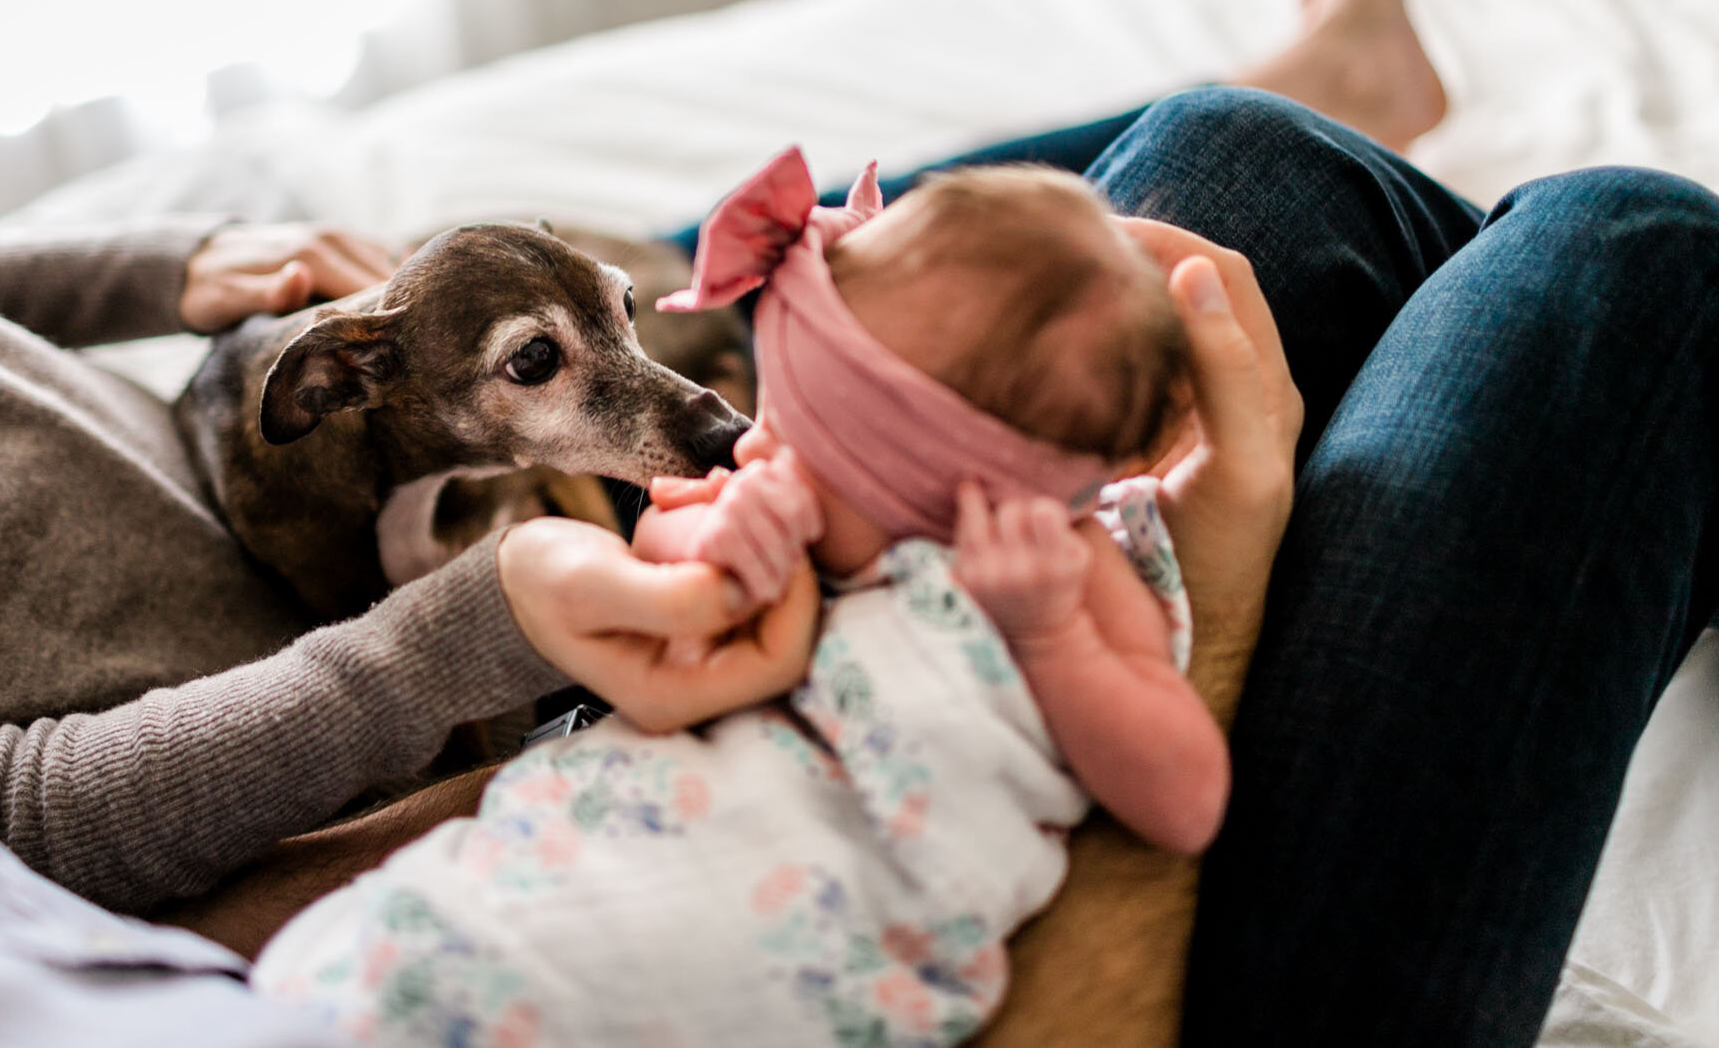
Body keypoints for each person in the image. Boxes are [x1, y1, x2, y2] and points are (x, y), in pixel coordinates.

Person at [0, 0, 1707, 1044]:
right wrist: (1216, 593)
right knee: (1617, 269)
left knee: (1238, 180)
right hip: (711, 847)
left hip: (514, 658)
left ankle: (1336, 114)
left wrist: (159, 263)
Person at [247, 157, 1228, 1044]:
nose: (748, 439)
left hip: (769, 944)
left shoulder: (1064, 570)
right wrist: (704, 541)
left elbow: (1183, 800)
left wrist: (1052, 638)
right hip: (519, 887)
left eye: (805, 414)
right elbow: (661, 552)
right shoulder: (775, 498)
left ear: (982, 476)